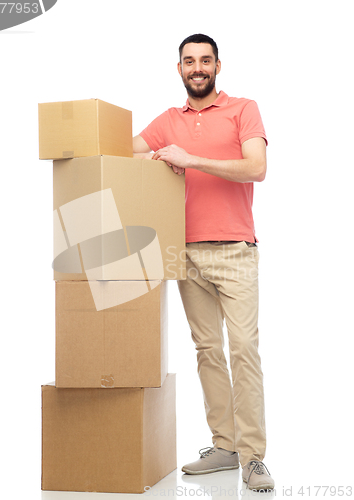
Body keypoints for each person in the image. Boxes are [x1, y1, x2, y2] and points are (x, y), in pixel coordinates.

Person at [132, 33, 274, 491]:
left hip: (235, 249)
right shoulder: (168, 120)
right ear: (179, 69)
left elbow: (256, 167)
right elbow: (123, 149)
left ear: (217, 66)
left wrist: (187, 158)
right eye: (189, 61)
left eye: (205, 60)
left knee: (244, 353)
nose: (197, 68)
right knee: (209, 353)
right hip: (186, 253)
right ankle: (225, 446)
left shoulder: (242, 109)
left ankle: (253, 457)